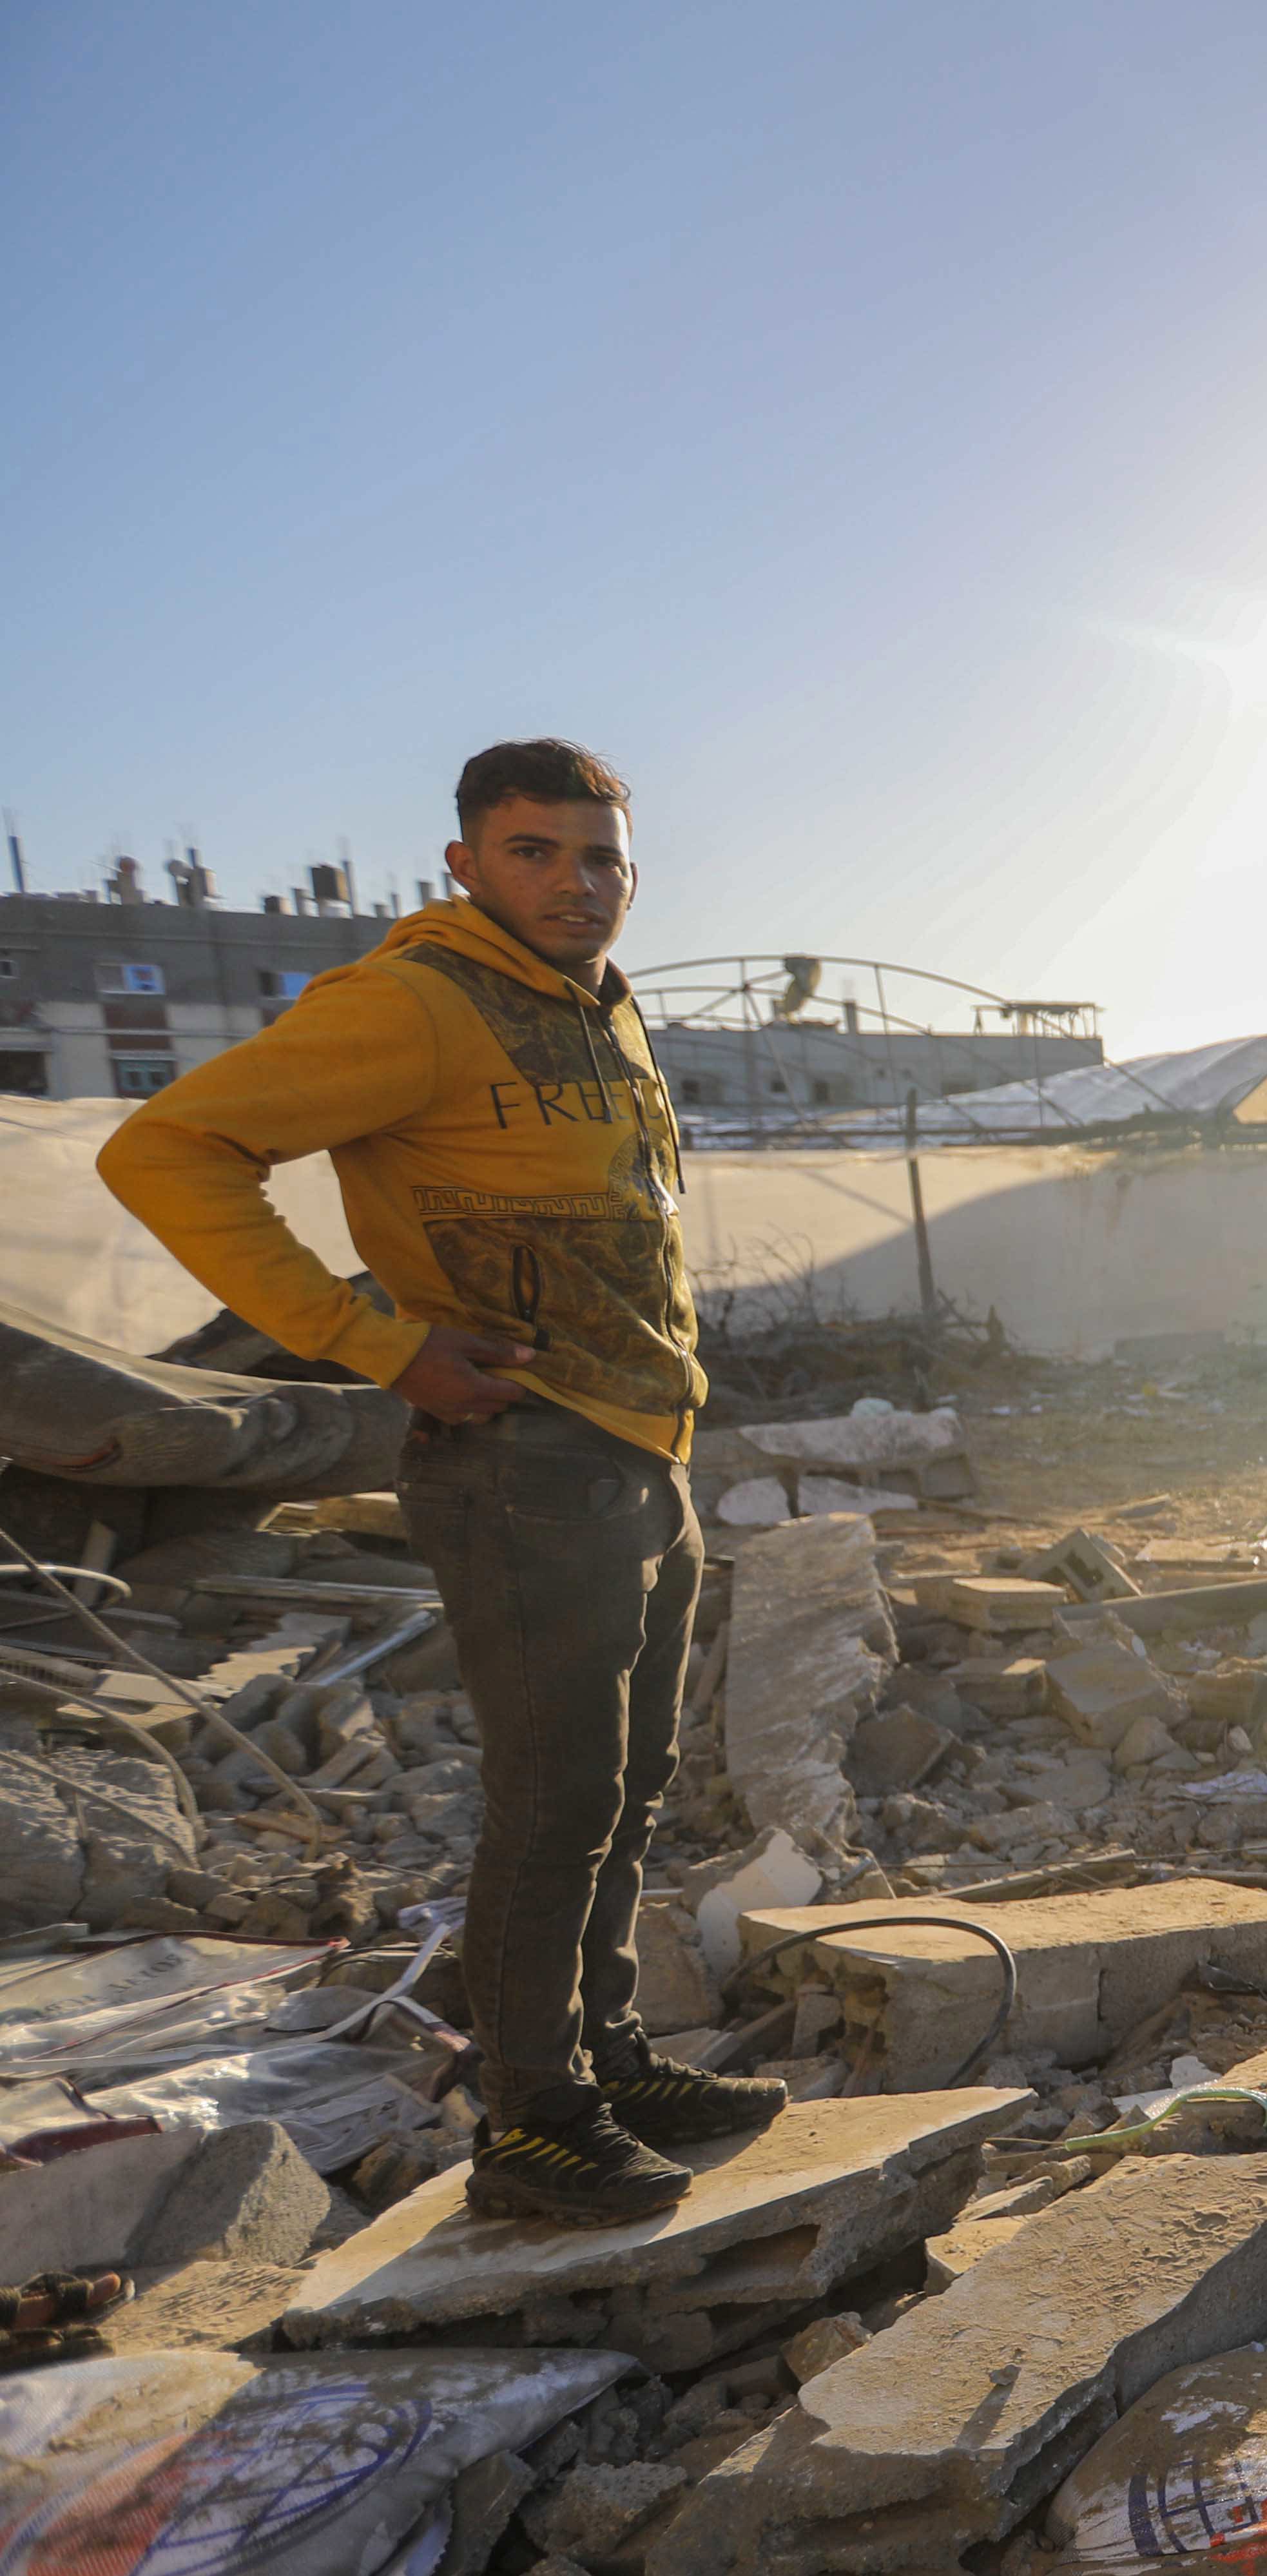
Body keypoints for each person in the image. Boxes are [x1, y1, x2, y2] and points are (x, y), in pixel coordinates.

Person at [99, 739, 788, 2222]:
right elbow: (167, 1147)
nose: (577, 881)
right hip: (519, 1456)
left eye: (600, 855)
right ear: (466, 864)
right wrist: (373, 1343)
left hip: (635, 1452)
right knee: (552, 1804)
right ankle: (534, 2123)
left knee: (626, 1785)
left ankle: (607, 2058)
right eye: (535, 851)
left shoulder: (598, 1008)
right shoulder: (414, 1001)